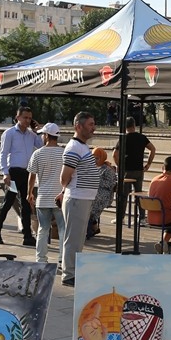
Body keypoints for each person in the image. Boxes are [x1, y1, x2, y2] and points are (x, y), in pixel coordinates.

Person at [58, 111, 99, 287]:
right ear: (78, 126)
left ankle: (72, 271)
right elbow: (64, 177)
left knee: (78, 238)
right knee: (73, 238)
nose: (93, 128)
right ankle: (69, 274)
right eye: (90, 124)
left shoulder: (81, 147)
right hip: (76, 199)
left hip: (82, 198)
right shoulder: (74, 148)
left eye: (93, 124)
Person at [0, 106, 42, 246]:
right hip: (14, 172)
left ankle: (27, 235)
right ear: (18, 117)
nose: (27, 120)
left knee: (27, 205)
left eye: (29, 118)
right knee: (8, 202)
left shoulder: (31, 134)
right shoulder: (9, 133)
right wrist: (5, 172)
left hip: (27, 173)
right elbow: (3, 153)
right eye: (25, 117)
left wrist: (37, 130)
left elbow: (41, 146)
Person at [26, 122, 66, 272]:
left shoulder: (38, 153)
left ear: (47, 136)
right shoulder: (64, 153)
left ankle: (41, 259)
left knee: (43, 229)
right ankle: (62, 260)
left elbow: (32, 176)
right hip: (60, 198)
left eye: (43, 134)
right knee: (62, 229)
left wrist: (29, 193)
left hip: (43, 197)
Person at [113, 117, 156, 223]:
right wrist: (148, 163)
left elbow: (115, 154)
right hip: (138, 170)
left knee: (123, 195)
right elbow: (153, 149)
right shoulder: (142, 137)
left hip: (127, 170)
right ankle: (141, 217)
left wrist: (119, 165)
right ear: (134, 125)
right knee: (139, 194)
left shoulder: (123, 138)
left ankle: (120, 218)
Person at [87, 148, 118, 239]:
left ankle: (91, 226)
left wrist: (96, 180)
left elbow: (111, 184)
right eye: (93, 158)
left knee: (90, 203)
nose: (95, 160)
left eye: (97, 158)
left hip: (104, 194)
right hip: (92, 191)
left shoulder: (107, 169)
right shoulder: (91, 167)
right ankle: (93, 226)